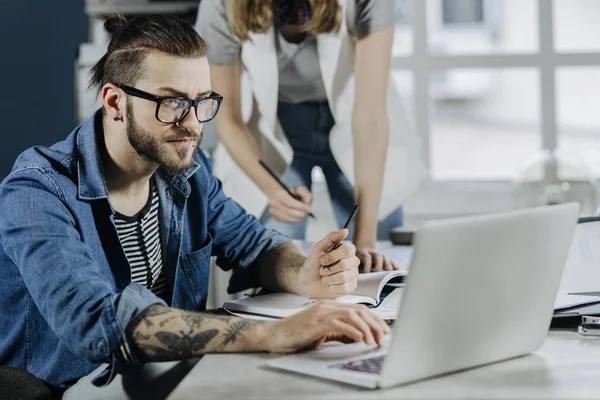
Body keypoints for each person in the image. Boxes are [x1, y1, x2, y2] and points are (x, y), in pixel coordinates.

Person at [0, 14, 390, 395]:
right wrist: (274, 333)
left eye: (202, 102)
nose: (193, 124)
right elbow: (95, 321)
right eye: (172, 103)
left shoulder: (184, 169)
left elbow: (255, 245)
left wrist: (304, 272)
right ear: (116, 102)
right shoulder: (36, 191)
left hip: (165, 375)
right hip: (72, 386)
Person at [195, 0, 427, 273]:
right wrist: (274, 192)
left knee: (378, 253)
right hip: (277, 130)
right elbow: (228, 117)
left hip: (355, 125)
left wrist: (366, 241)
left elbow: (369, 118)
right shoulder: (221, 4)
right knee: (272, 254)